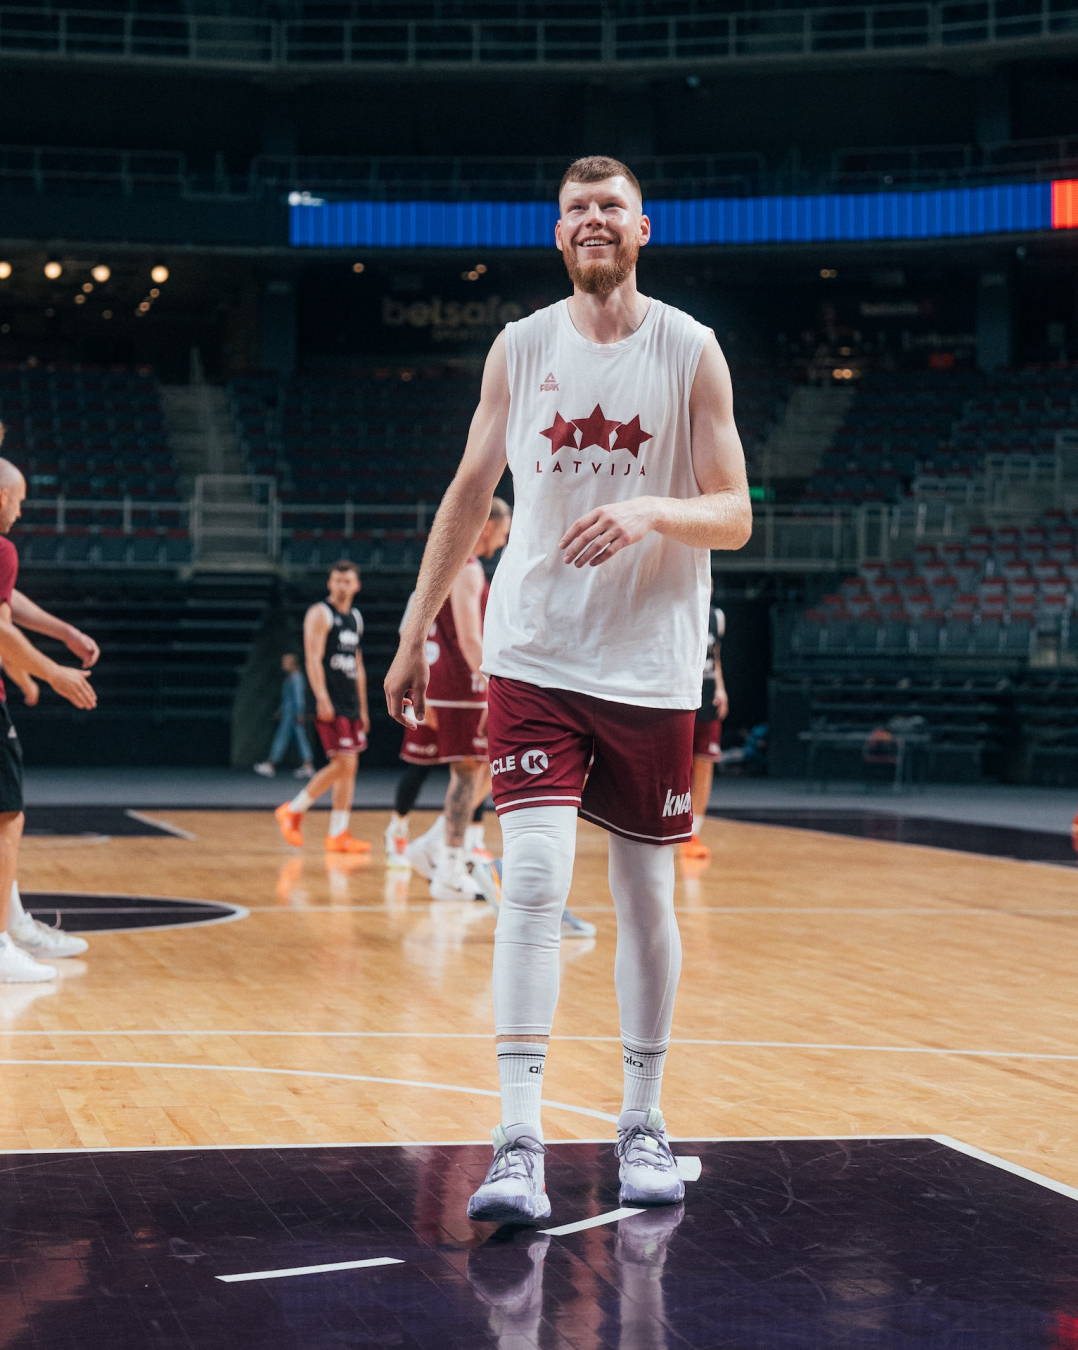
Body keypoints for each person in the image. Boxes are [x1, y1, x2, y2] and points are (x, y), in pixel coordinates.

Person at [385, 154, 751, 1221]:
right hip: (537, 654)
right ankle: (516, 1140)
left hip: (650, 664)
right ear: (558, 235)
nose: (594, 220)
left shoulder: (691, 350)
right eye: (577, 208)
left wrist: (651, 511)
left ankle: (642, 1118)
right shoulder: (521, 345)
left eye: (611, 207)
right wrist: (414, 625)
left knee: (645, 896)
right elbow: (469, 491)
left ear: (643, 229)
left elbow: (735, 512)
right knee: (535, 879)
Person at [0, 460, 97, 982]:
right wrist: (52, 671)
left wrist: (61, 635)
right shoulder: (2, 547)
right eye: (18, 500)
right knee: (6, 816)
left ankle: (12, 923)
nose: (21, 510)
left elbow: (6, 602)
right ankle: (0, 942)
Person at [394, 500, 509, 899]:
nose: (503, 541)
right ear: (487, 527)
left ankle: (432, 847)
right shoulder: (468, 568)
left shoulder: (444, 564)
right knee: (467, 774)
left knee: (487, 768)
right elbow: (470, 638)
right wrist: (494, 686)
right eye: (503, 532)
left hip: (445, 681)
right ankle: (449, 868)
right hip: (461, 684)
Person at [275, 561, 371, 855]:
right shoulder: (321, 613)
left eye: (347, 581)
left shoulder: (355, 617)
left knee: (350, 766)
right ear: (329, 583)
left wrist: (363, 708)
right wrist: (321, 697)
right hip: (329, 698)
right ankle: (293, 810)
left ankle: (338, 833)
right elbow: (312, 657)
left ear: (356, 586)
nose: (342, 586)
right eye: (337, 580)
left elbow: (357, 665)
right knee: (343, 763)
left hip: (350, 700)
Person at [682, 603, 728, 861]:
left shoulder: (717, 617)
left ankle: (694, 834)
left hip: (708, 696)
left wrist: (721, 688)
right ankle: (668, 828)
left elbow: (715, 656)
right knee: (678, 768)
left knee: (705, 765)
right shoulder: (676, 608)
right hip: (681, 698)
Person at [254, 653, 314, 779]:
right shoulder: (290, 677)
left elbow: (298, 697)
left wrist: (299, 713)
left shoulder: (296, 678)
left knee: (290, 738)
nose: (283, 664)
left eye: (286, 662)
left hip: (292, 714)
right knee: (291, 738)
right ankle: (305, 765)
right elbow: (287, 697)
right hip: (288, 713)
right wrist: (281, 710)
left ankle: (272, 764)